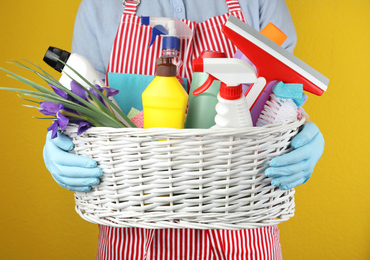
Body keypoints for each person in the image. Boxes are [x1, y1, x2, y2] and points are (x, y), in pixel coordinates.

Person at [43, 0, 325, 259]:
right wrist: (64, 139)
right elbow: (87, 101)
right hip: (132, 235)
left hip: (242, 231)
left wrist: (301, 135)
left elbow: (283, 94)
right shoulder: (100, 7)